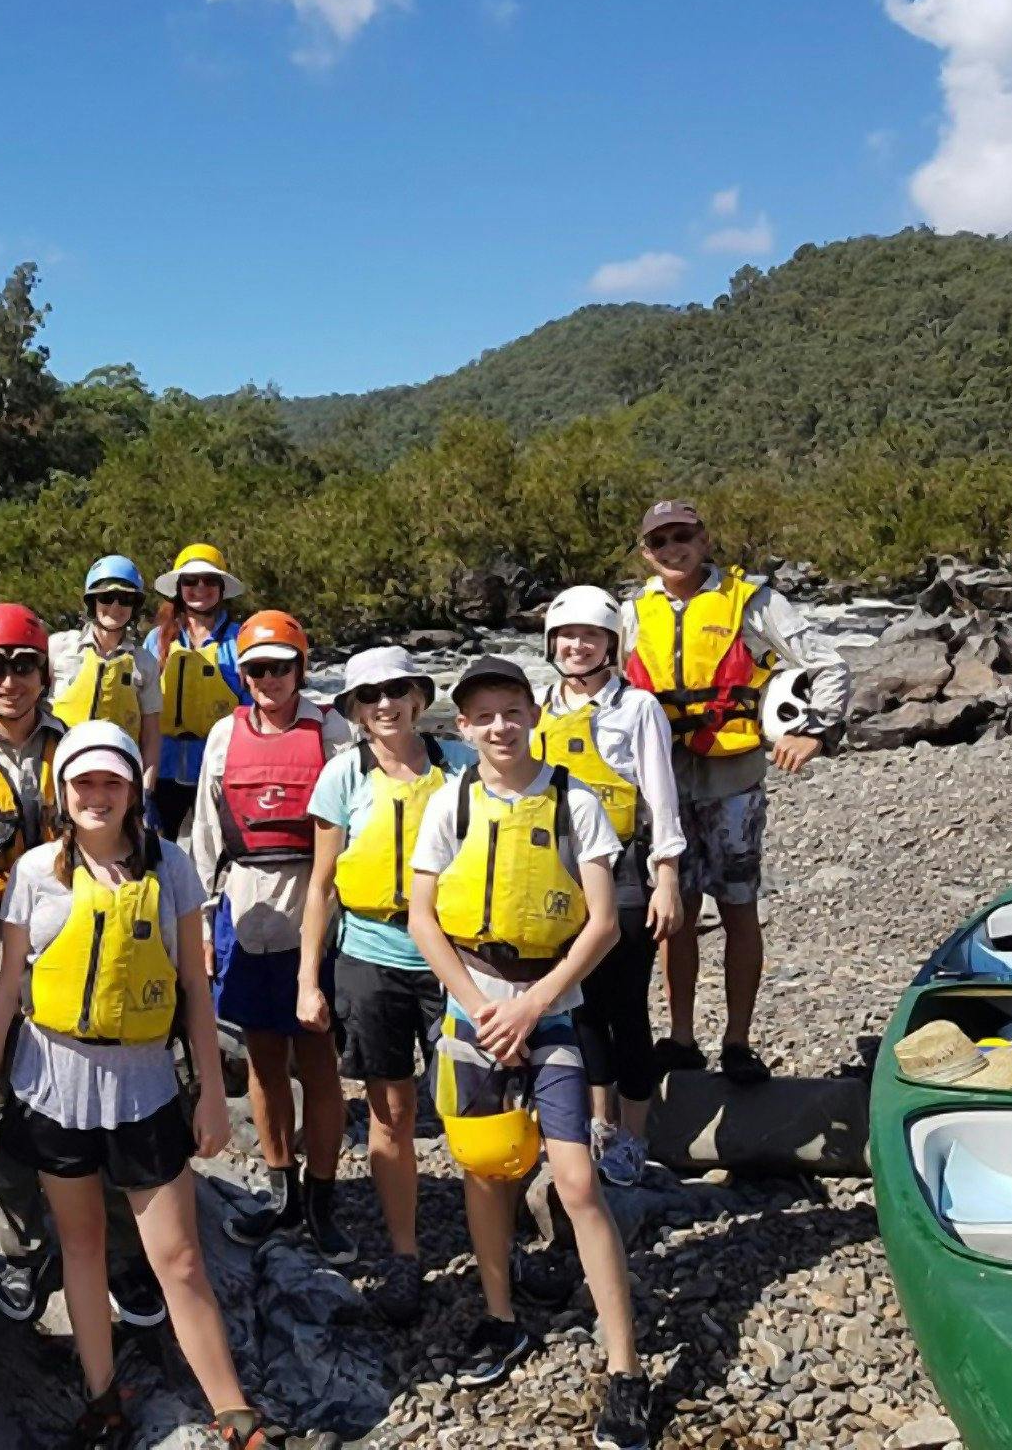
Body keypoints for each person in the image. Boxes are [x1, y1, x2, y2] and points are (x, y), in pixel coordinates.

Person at [0, 722, 333, 1450]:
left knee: (180, 1256)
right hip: (55, 1086)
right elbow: (8, 993)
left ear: (134, 791)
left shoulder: (172, 872)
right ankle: (102, 1401)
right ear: (63, 795)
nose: (97, 796)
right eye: (83, 784)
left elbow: (196, 986)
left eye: (112, 783)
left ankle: (233, 1411)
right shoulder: (35, 872)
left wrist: (209, 1097)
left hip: (145, 1089)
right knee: (83, 1246)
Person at [405, 655, 652, 1450]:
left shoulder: (576, 799)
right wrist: (481, 1008)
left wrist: (535, 1003)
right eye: (485, 716)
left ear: (531, 715)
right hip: (474, 1010)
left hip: (551, 1011)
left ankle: (625, 1369)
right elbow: (422, 918)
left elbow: (604, 921)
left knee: (577, 1182)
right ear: (465, 728)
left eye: (513, 710)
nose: (501, 727)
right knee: (485, 1169)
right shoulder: (452, 802)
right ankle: (499, 1314)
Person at [0, 603, 166, 1328]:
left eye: (22, 665)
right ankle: (20, 1244)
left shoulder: (80, 748)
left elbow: (137, 846)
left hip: (80, 935)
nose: (10, 681)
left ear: (44, 672)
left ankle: (124, 1251)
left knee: (98, 1084)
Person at [621, 500, 852, 1085]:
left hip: (734, 778)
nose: (674, 549)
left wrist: (814, 732)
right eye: (661, 542)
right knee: (675, 915)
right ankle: (680, 1038)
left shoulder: (753, 601)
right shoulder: (632, 613)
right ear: (646, 552)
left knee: (738, 907)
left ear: (704, 537)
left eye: (684, 536)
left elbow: (829, 664)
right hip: (664, 781)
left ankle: (739, 1041)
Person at [296, 645, 473, 1323]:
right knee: (391, 1111)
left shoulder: (460, 767)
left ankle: (498, 1236)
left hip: (452, 955)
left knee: (472, 1098)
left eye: (396, 691)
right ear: (354, 711)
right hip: (371, 955)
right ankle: (404, 1254)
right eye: (369, 698)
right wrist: (309, 980)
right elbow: (320, 888)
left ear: (420, 696)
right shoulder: (343, 777)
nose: (384, 706)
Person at [191, 611, 356, 1263]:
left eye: (280, 667)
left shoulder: (331, 730)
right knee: (263, 1060)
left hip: (318, 908)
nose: (268, 679)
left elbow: (358, 820)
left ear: (300, 669)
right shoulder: (222, 737)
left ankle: (321, 1199)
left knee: (318, 1061)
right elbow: (205, 833)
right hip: (246, 905)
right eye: (256, 668)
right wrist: (203, 921)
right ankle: (282, 1189)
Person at [533, 585, 686, 1188]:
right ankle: (598, 1122)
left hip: (623, 869)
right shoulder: (537, 706)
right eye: (566, 637)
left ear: (610, 645)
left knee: (624, 1006)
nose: (576, 646)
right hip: (555, 871)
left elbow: (661, 798)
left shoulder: (638, 710)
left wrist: (666, 877)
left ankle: (635, 1136)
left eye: (589, 637)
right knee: (580, 1007)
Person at [143, 543, 245, 839]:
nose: (200, 588)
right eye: (190, 581)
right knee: (158, 854)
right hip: (164, 767)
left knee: (216, 854)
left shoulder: (240, 639)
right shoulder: (158, 639)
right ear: (179, 588)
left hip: (219, 766)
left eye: (209, 580)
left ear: (222, 587)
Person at [48, 554, 163, 802]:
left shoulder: (145, 663)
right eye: (106, 597)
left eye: (125, 599)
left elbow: (151, 735)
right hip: (61, 774)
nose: (115, 607)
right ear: (92, 602)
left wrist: (144, 791)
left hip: (117, 780)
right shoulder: (58, 648)